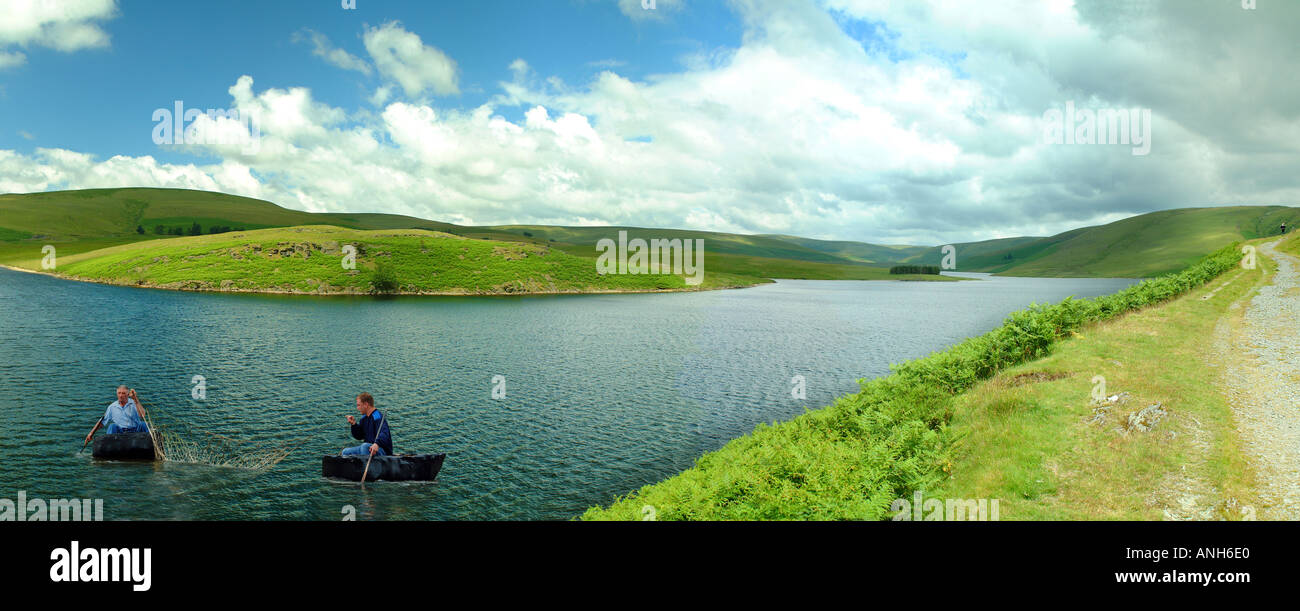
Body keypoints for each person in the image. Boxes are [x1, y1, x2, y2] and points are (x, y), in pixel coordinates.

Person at [84, 386, 149, 445]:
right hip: (120, 432)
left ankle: (150, 444)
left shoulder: (134, 403)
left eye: (123, 393)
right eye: (119, 393)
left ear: (128, 394)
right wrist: (91, 434)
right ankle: (109, 446)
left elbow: (142, 415)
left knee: (143, 424)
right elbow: (102, 422)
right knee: (112, 426)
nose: (121, 395)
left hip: (135, 430)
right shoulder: (112, 407)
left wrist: (135, 399)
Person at [342, 392, 393, 457]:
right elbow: (359, 436)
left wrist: (377, 444)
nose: (357, 408)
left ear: (366, 404)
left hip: (381, 450)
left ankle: (367, 466)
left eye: (358, 405)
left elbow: (385, 433)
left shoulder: (377, 416)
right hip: (368, 449)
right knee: (345, 452)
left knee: (364, 446)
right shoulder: (364, 418)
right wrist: (354, 424)